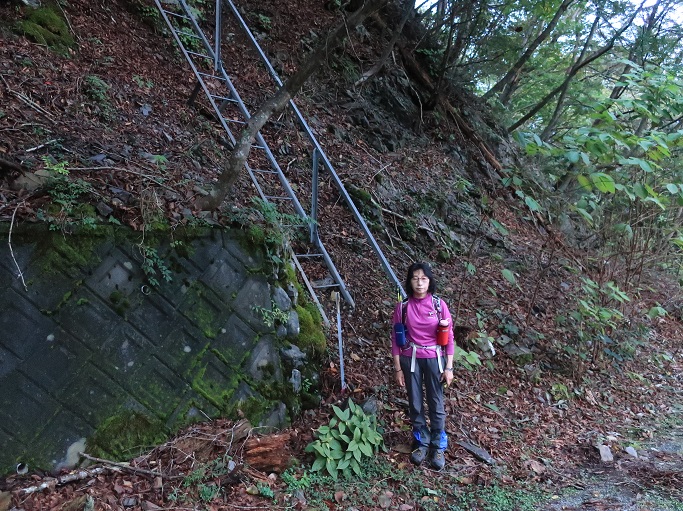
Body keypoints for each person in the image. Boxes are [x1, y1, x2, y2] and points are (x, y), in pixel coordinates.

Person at [391, 262, 454, 470]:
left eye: (424, 278)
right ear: (410, 281)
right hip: (410, 358)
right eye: (415, 278)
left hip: (435, 358)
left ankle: (438, 446)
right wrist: (397, 368)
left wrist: (449, 367)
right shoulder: (403, 307)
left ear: (430, 281)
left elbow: (449, 337)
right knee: (415, 402)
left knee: (436, 402)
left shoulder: (438, 305)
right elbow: (395, 338)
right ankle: (421, 442)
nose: (419, 283)